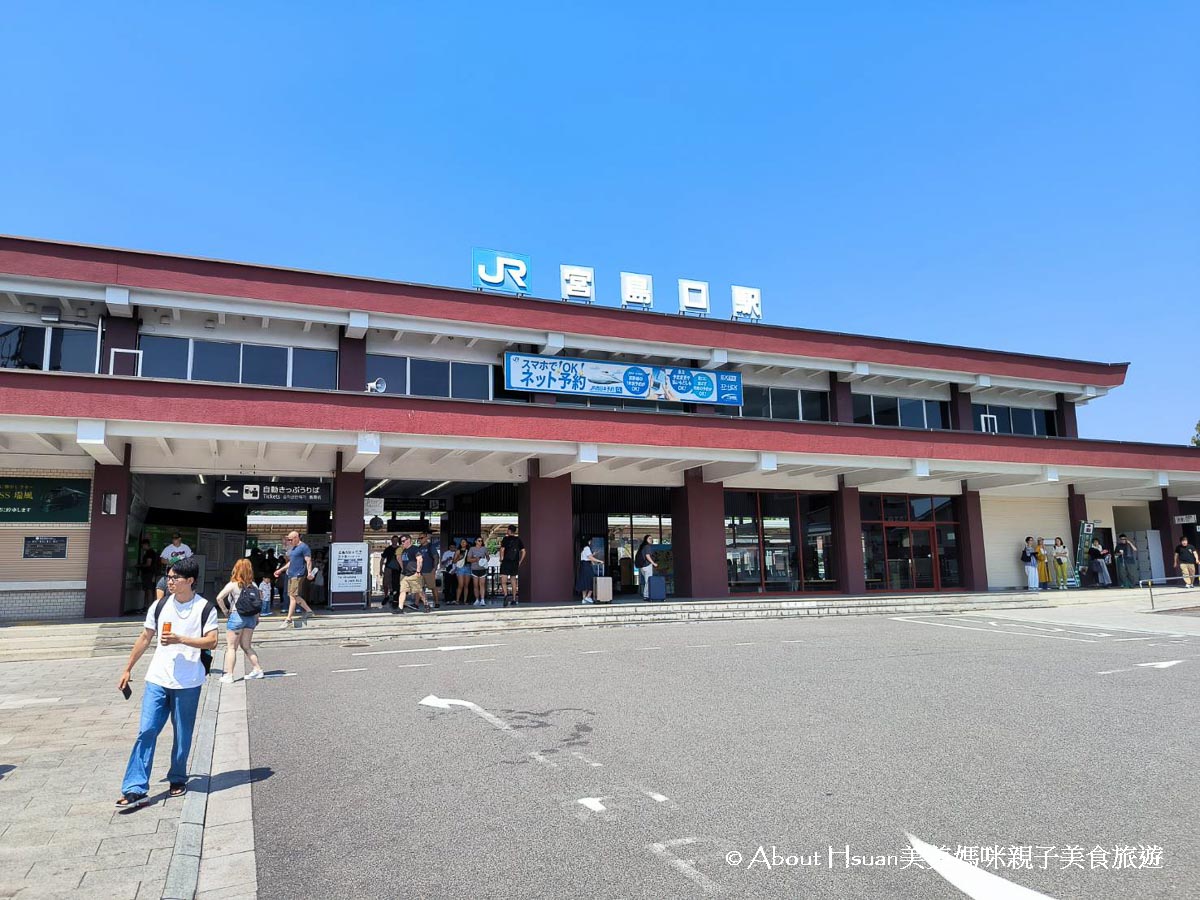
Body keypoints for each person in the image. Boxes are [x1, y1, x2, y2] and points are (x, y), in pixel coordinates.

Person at [115, 557, 218, 810]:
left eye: (175, 578)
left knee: (182, 735)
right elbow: (145, 637)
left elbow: (212, 641)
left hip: (188, 682)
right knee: (146, 730)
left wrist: (182, 639)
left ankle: (178, 777)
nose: (169, 582)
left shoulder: (205, 608)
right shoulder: (160, 606)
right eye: (169, 577)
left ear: (190, 581)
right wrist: (128, 668)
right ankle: (135, 787)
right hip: (157, 679)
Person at [214, 559, 265, 684]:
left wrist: (225, 611)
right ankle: (257, 669)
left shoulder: (233, 584)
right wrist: (257, 617)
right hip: (251, 618)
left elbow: (219, 598)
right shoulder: (254, 585)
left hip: (237, 616)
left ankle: (229, 674)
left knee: (231, 647)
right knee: (246, 646)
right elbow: (259, 602)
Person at [274, 531, 314, 628]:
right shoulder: (294, 548)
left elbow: (308, 560)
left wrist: (309, 572)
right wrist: (280, 570)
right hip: (291, 574)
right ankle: (309, 611)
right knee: (293, 596)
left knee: (292, 596)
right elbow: (291, 562)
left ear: (296, 538)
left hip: (298, 574)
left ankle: (289, 619)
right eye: (289, 539)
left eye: (291, 539)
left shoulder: (304, 547)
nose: (289, 541)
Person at [396, 534, 427, 612]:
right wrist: (402, 568)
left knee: (419, 591)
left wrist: (418, 571)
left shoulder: (415, 549)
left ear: (408, 540)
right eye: (401, 541)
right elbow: (400, 559)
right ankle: (400, 608)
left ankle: (426, 604)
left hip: (414, 574)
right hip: (405, 574)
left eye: (403, 541)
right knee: (402, 591)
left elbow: (420, 559)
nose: (402, 543)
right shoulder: (403, 550)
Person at [499, 525, 526, 607]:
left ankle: (506, 595)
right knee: (513, 581)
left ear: (509, 531)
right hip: (514, 563)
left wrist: (501, 559)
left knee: (503, 580)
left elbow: (502, 549)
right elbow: (524, 551)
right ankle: (514, 599)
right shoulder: (518, 540)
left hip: (506, 562)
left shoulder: (505, 539)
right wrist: (520, 561)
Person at [419, 532, 440, 608]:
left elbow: (436, 557)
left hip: (429, 570)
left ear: (426, 538)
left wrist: (434, 568)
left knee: (433, 587)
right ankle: (422, 602)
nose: (420, 540)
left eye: (421, 538)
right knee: (420, 588)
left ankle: (437, 602)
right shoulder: (419, 548)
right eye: (419, 538)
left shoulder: (430, 547)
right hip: (421, 571)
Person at [634, 535, 658, 600]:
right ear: (646, 539)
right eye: (649, 538)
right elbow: (647, 556)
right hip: (647, 565)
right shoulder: (647, 546)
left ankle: (646, 594)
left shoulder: (642, 546)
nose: (651, 539)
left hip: (642, 566)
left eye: (652, 538)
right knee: (648, 581)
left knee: (646, 580)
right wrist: (653, 563)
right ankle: (646, 595)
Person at [137, 539, 158, 612]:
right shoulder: (150, 552)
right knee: (147, 590)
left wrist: (139, 566)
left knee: (149, 590)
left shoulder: (150, 553)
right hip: (149, 573)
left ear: (146, 544)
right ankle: (146, 607)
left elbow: (148, 564)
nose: (142, 547)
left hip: (149, 573)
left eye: (142, 545)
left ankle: (149, 607)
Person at [380, 536, 400, 609]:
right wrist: (380, 569)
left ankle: (395, 599)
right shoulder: (388, 549)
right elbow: (382, 559)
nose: (395, 541)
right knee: (385, 583)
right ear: (391, 540)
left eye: (396, 540)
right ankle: (386, 596)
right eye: (393, 540)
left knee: (395, 585)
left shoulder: (400, 549)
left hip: (398, 569)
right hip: (388, 568)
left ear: (397, 541)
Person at [468, 537, 489, 606]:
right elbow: (468, 559)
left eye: (481, 541)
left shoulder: (484, 548)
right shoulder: (472, 549)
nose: (480, 542)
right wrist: (476, 559)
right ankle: (477, 599)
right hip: (474, 569)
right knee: (475, 585)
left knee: (482, 585)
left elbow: (488, 557)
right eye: (479, 541)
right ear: (475, 541)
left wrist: (485, 561)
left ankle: (482, 600)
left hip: (482, 569)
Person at [576, 538, 596, 604]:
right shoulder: (587, 548)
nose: (591, 542)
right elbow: (590, 558)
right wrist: (600, 561)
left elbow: (587, 557)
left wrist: (593, 555)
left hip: (583, 565)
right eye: (591, 541)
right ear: (588, 541)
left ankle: (584, 598)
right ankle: (588, 596)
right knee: (592, 580)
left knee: (584, 581)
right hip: (587, 566)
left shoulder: (583, 549)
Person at [453, 539, 472, 605]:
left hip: (468, 567)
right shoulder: (458, 551)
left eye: (464, 542)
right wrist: (459, 558)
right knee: (460, 585)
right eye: (461, 542)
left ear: (466, 543)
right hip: (460, 568)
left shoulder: (469, 551)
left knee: (466, 585)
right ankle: (457, 600)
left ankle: (465, 600)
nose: (463, 543)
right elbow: (454, 561)